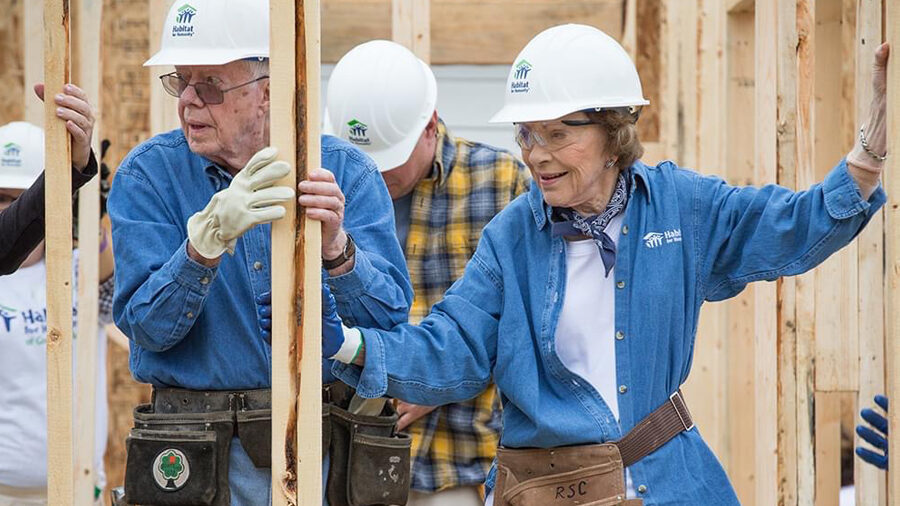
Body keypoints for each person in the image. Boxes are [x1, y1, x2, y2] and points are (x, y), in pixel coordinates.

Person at [320, 24, 890, 504]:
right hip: (550, 488)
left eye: (558, 134)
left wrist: (865, 161)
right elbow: (450, 347)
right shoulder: (513, 237)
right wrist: (345, 344)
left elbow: (787, 225)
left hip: (664, 480)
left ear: (614, 132)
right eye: (526, 135)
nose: (536, 154)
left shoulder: (681, 208)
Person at [107, 1, 412, 505]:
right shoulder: (148, 176)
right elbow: (146, 329)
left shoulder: (343, 172)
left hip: (324, 446)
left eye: (208, 85)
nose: (187, 101)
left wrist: (337, 249)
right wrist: (201, 248)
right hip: (198, 451)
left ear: (266, 91)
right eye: (180, 80)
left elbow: (388, 325)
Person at [325, 40, 529, 506]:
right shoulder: (331, 190)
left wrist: (434, 379)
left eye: (387, 167)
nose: (373, 181)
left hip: (455, 465)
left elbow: (530, 327)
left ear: (430, 126)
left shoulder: (501, 184)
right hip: (344, 461)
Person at [0, 120, 112, 506]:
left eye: (25, 198)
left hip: (79, 491)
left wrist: (90, 217)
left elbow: (111, 287)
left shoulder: (77, 270)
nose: (14, 211)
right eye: (2, 198)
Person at [0, 84, 99, 274]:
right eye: (1, 198)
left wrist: (69, 169)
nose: (9, 209)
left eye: (21, 198)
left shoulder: (72, 270)